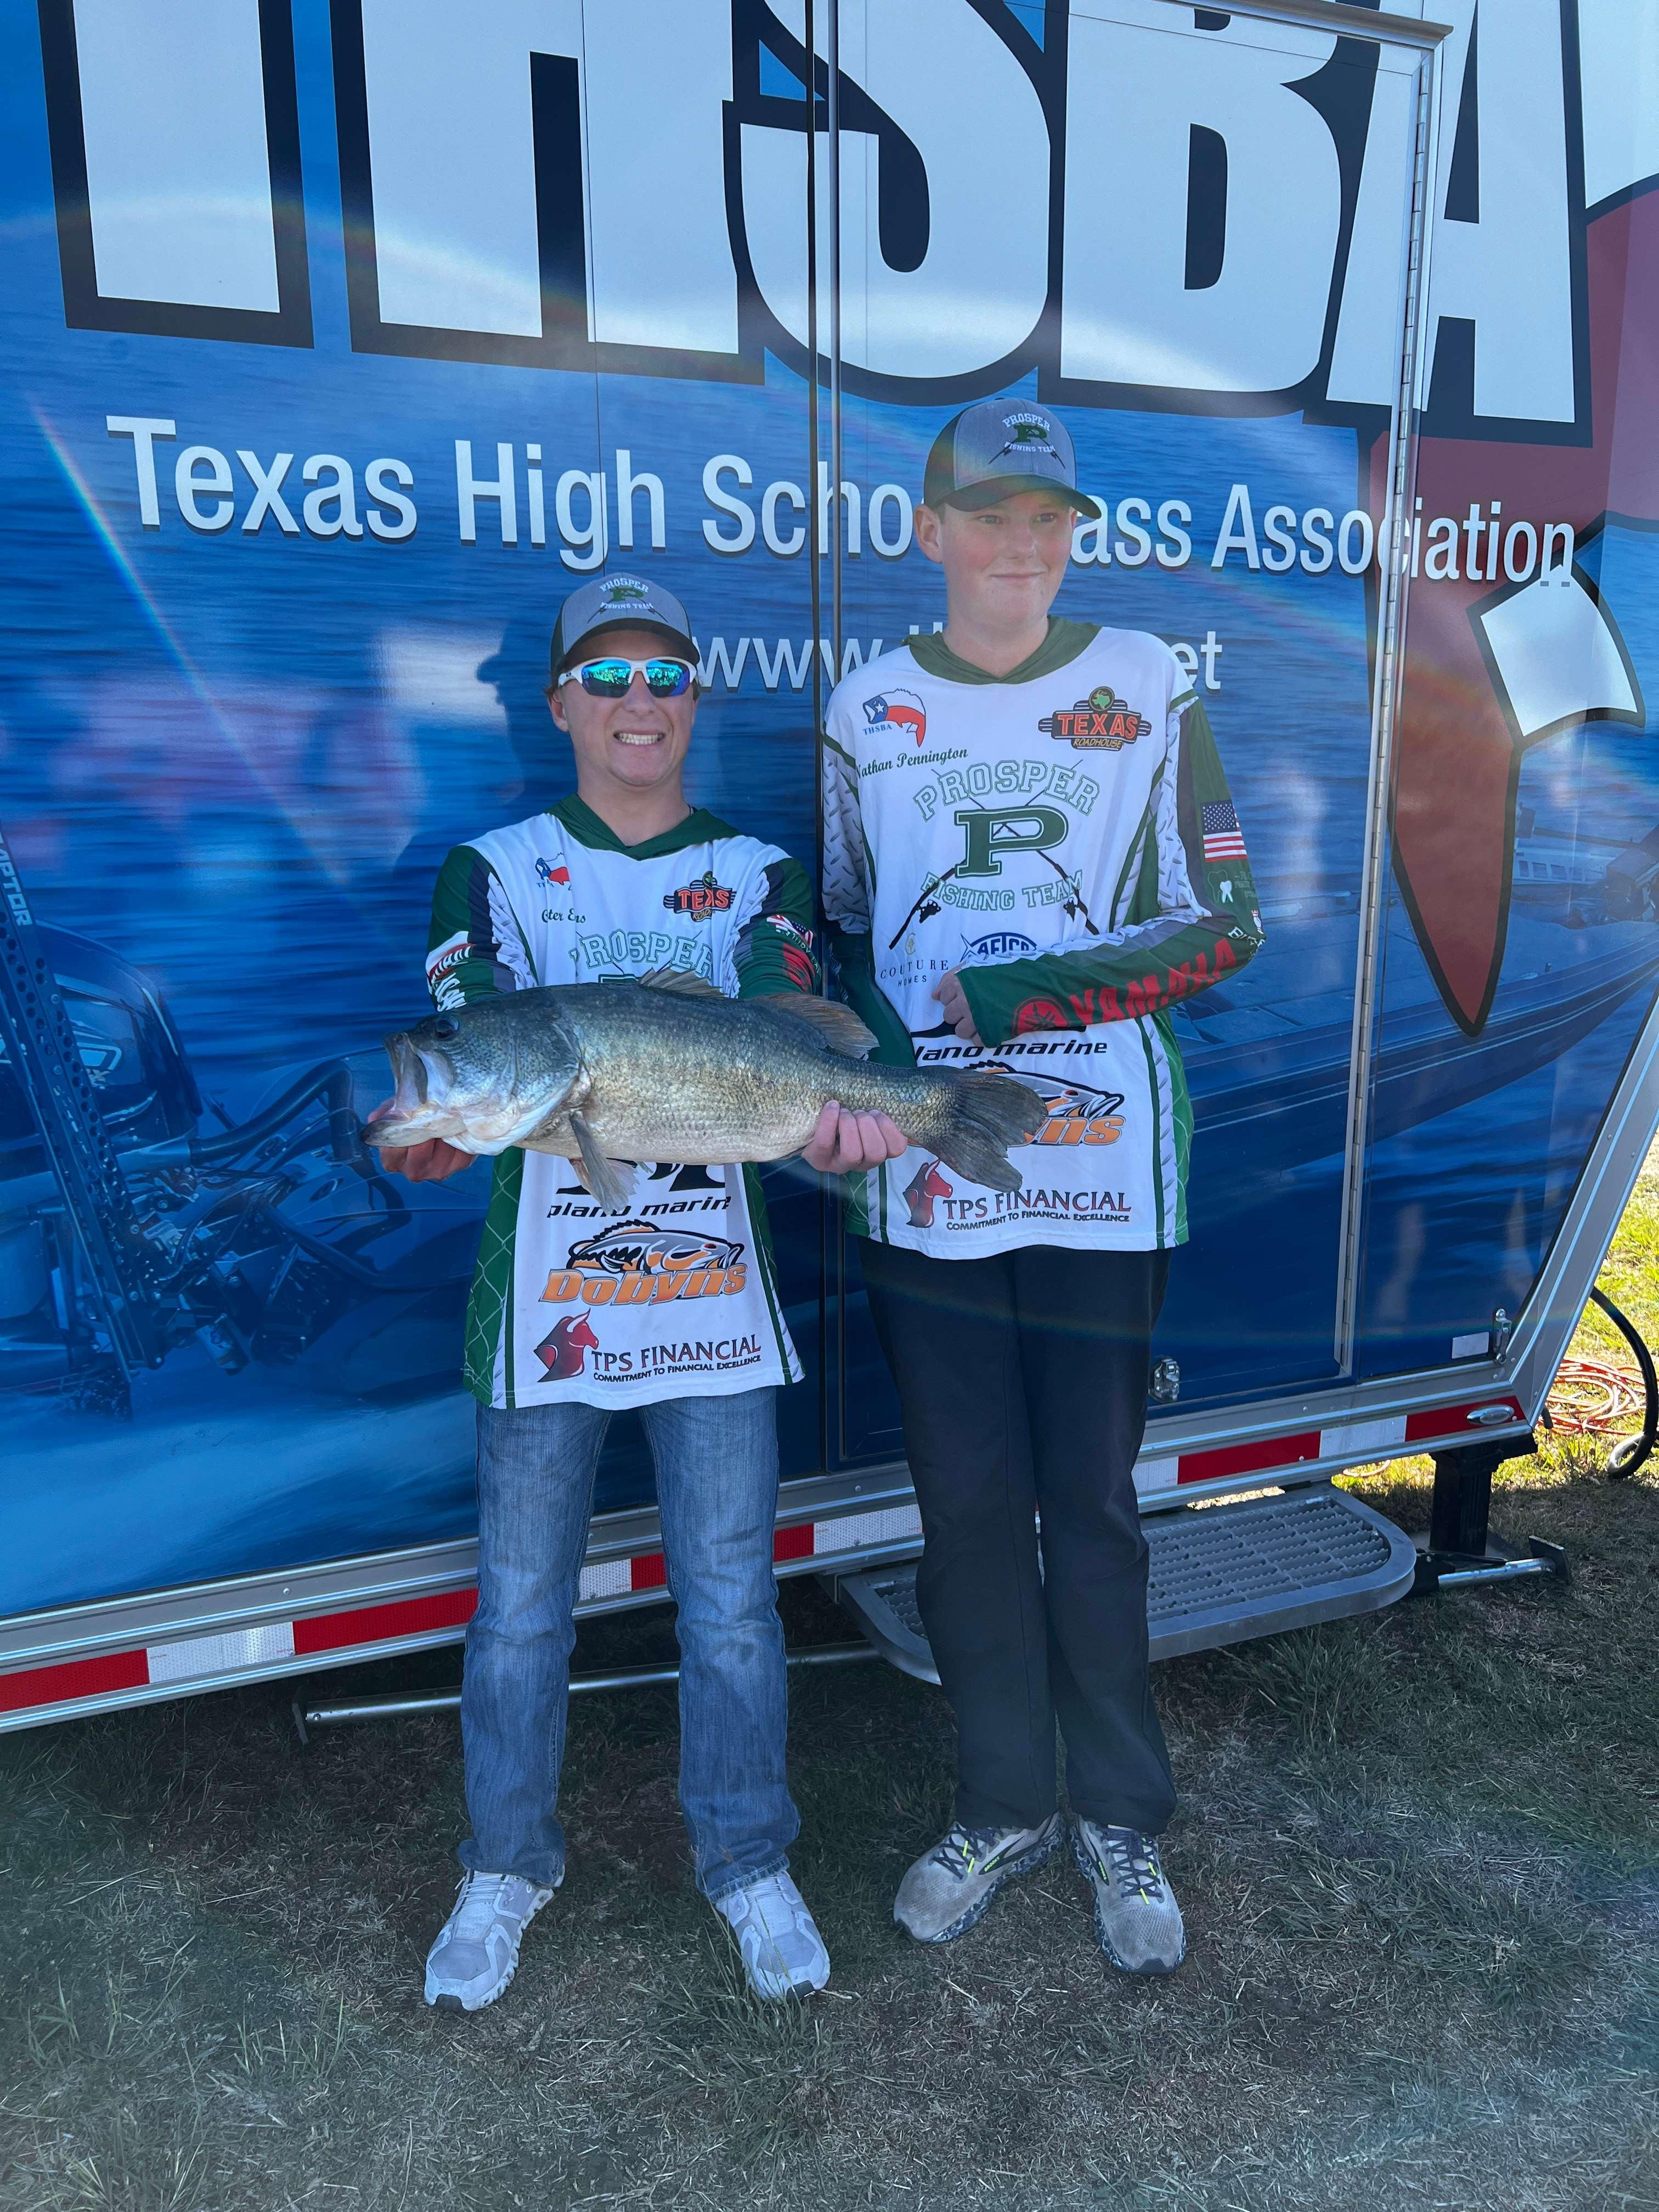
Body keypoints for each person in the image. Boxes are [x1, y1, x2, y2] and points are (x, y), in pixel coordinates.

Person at [378, 572, 894, 2011]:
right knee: (519, 1612)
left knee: (730, 1604)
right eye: (605, 677)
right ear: (558, 705)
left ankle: (748, 1860)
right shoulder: (490, 870)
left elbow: (792, 1024)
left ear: (694, 699)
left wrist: (844, 1123)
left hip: (715, 1311)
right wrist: (433, 1126)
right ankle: (505, 1864)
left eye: (663, 675)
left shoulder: (761, 872)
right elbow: (469, 1059)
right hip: (545, 1313)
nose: (636, 703)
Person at [821, 400, 1264, 1975]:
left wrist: (1024, 996)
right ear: (929, 529)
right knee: (961, 1507)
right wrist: (869, 1086)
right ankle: (1001, 1804)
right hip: (927, 1179)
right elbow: (841, 933)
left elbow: (1229, 923)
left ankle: (1121, 1814)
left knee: (1091, 1500)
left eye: (1049, 521)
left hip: (1101, 1170)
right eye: (991, 516)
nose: (1022, 546)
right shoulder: (866, 705)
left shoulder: (1145, 683)